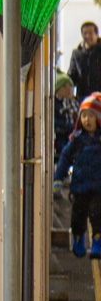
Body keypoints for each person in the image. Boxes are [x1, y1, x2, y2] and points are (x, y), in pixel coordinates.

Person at [53, 92, 101, 256]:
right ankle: (78, 238)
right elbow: (65, 157)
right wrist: (58, 177)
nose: (87, 120)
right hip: (80, 185)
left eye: (91, 116)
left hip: (98, 187)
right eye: (84, 116)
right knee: (78, 217)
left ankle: (97, 241)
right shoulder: (77, 139)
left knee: (97, 214)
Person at [70, 22, 101, 102]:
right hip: (83, 97)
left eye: (90, 33)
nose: (87, 36)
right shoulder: (77, 53)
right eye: (85, 33)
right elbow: (72, 75)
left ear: (96, 35)